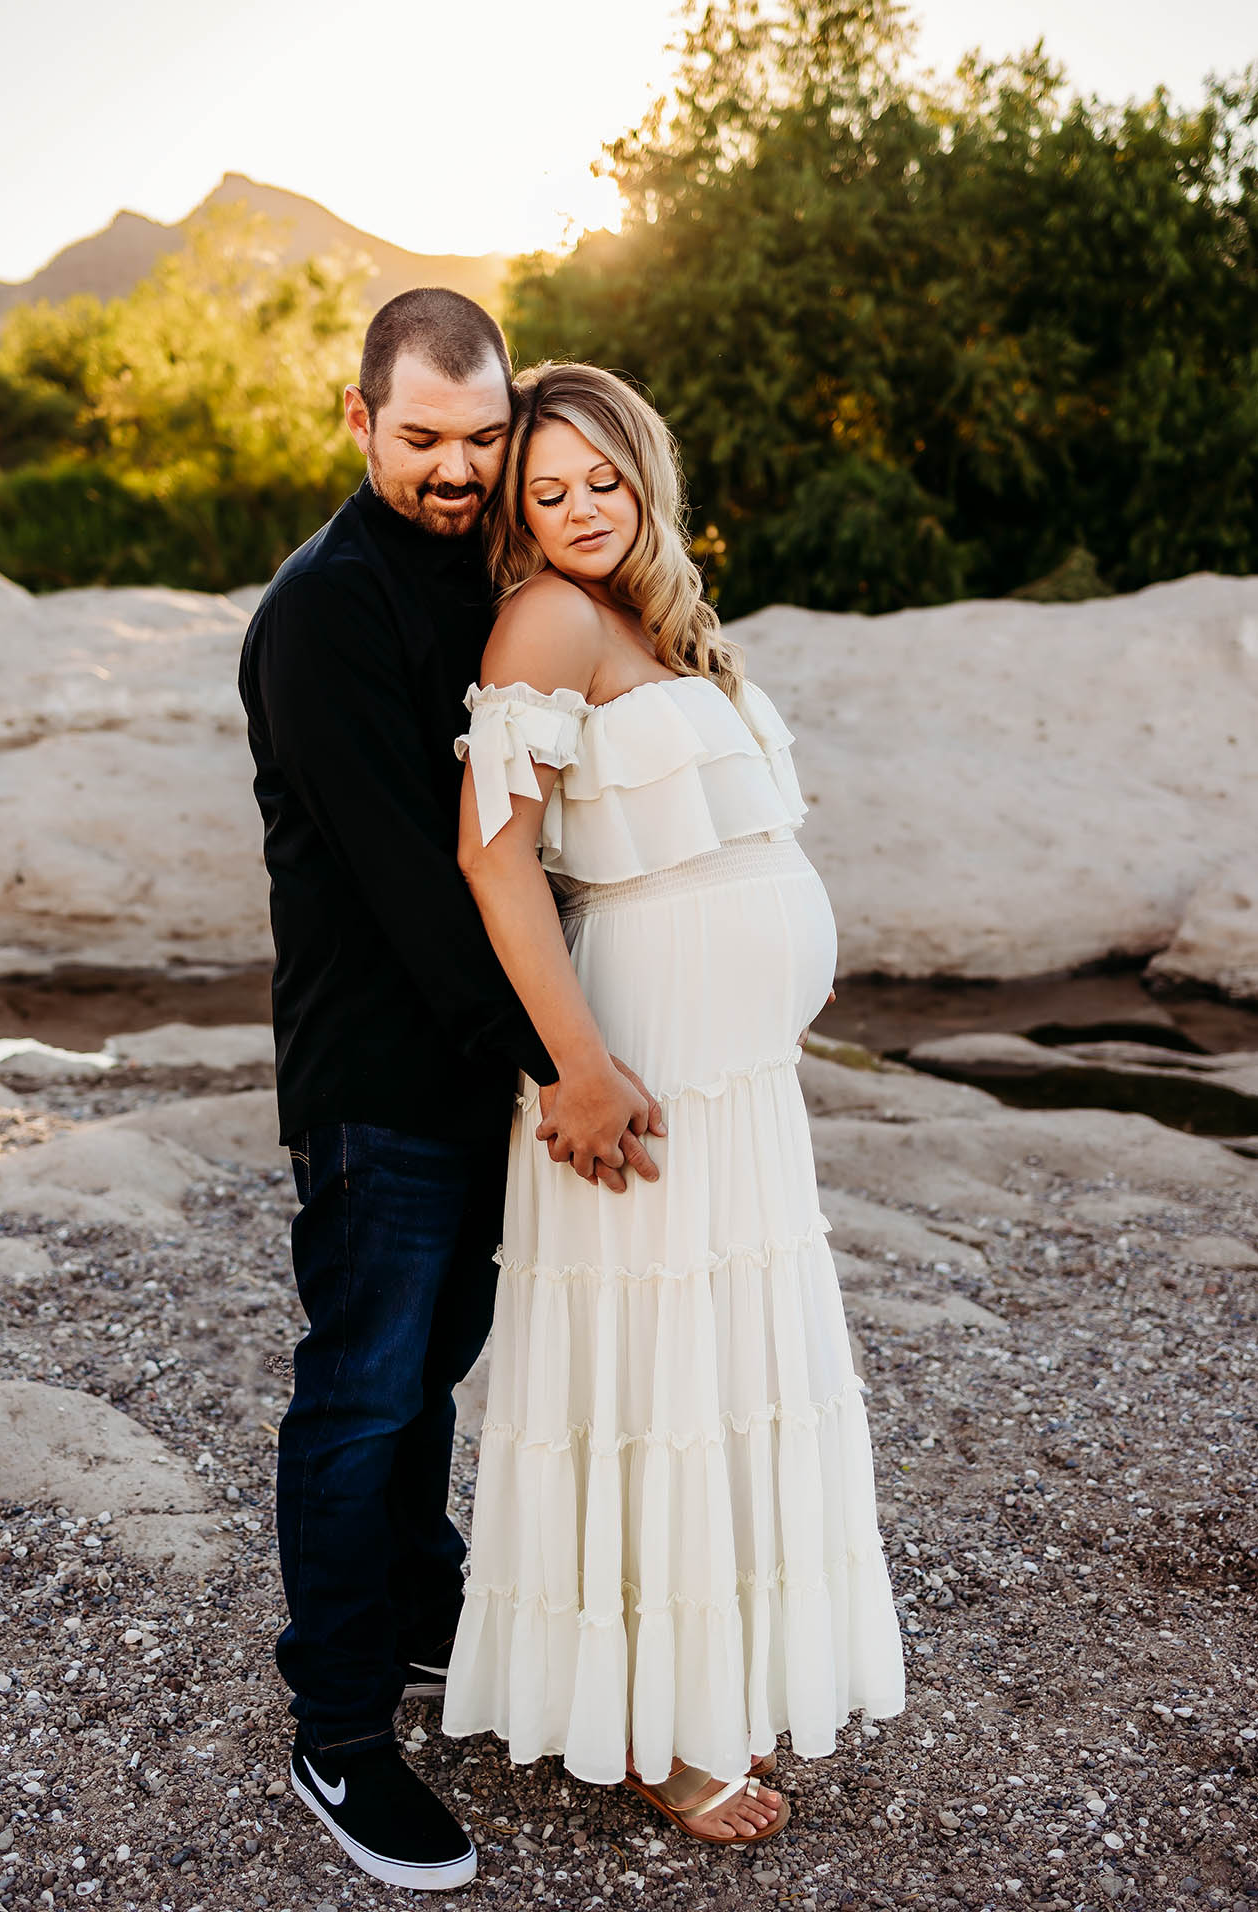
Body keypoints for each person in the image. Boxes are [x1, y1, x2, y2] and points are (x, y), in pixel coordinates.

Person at [443, 363, 906, 1844]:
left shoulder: (664, 622)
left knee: (724, 1365)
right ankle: (651, 1726)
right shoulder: (549, 620)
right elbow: (495, 859)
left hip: (738, 1064)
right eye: (546, 489)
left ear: (646, 478)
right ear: (518, 513)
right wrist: (578, 1065)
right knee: (658, 1367)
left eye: (603, 480)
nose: (579, 510)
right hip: (640, 1040)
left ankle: (707, 1680)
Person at [237, 297, 665, 1893]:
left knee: (436, 1369)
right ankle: (336, 1728)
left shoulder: (491, 569)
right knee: (360, 1391)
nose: (458, 468)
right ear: (359, 424)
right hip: (377, 1071)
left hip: (480, 1061)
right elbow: (425, 887)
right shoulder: (322, 613)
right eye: (423, 440)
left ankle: (420, 1613)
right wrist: (567, 1063)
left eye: (484, 440)